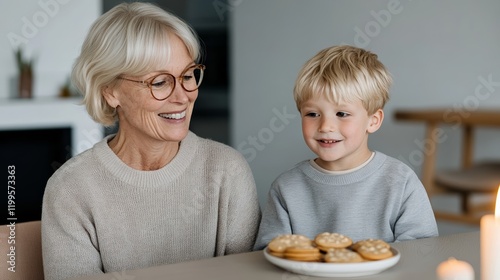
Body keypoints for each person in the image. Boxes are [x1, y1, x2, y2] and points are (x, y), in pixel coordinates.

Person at [41, 3, 260, 279]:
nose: (183, 96)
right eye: (159, 82)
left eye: (188, 75)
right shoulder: (71, 189)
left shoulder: (228, 170)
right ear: (110, 91)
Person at [253, 45, 438, 250]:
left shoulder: (401, 183)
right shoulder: (286, 188)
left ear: (373, 121)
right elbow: (268, 255)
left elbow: (422, 252)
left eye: (342, 114)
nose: (325, 126)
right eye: (312, 114)